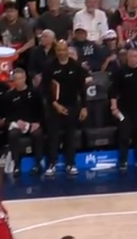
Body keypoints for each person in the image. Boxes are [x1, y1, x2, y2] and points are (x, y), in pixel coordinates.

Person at [42, 40, 89, 176]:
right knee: (53, 136)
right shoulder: (49, 66)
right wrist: (55, 104)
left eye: (63, 50)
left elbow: (82, 89)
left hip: (71, 106)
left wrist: (84, 107)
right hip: (54, 107)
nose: (61, 53)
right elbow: (45, 89)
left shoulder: (76, 66)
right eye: (59, 50)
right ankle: (52, 164)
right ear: (56, 51)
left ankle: (71, 164)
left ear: (67, 50)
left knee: (70, 136)